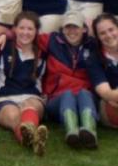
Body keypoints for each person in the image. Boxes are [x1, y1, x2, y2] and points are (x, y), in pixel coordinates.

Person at [40, 11, 98, 148]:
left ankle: (89, 131)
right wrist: (4, 35)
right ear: (62, 29)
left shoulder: (93, 45)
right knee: (67, 94)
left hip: (85, 99)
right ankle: (72, 132)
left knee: (84, 93)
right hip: (57, 99)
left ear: (84, 29)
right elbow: (26, 35)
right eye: (68, 27)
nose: (71, 31)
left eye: (76, 27)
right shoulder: (52, 40)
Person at [0, 11, 48, 155]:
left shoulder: (42, 52)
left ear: (36, 31)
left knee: (30, 106)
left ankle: (28, 135)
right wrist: (4, 35)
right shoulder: (3, 47)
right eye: (22, 28)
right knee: (13, 115)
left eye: (30, 29)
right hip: (5, 97)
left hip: (31, 96)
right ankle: (32, 138)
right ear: (15, 29)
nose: (25, 32)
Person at [89, 13, 118, 128]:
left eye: (111, 29)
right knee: (110, 109)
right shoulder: (93, 59)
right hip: (110, 103)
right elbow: (105, 92)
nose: (108, 35)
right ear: (98, 37)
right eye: (102, 33)